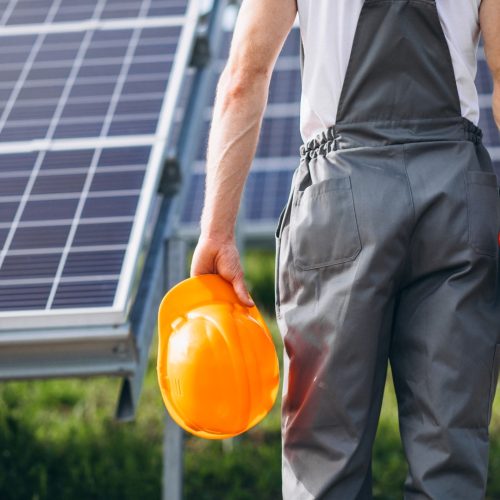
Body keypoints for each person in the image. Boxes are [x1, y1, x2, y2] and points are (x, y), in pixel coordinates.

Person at [190, 0, 500, 498]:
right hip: (457, 202)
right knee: (452, 459)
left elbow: (244, 77)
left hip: (340, 202)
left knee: (325, 461)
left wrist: (218, 231)